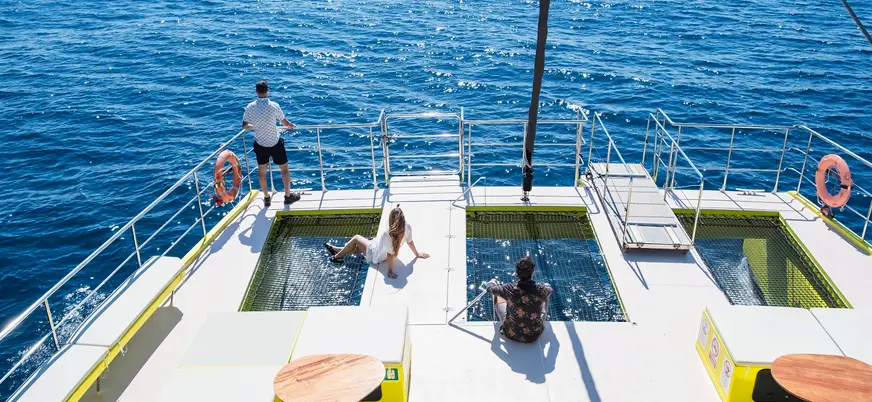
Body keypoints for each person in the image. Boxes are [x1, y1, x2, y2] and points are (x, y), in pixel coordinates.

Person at [324, 205, 429, 279]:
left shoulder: (387, 234)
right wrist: (417, 254)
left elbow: (390, 254)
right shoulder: (407, 227)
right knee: (358, 247)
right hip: (378, 250)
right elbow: (409, 242)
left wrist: (389, 271)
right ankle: (337, 250)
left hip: (375, 255)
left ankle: (337, 256)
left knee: (356, 238)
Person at [242, 80, 299, 207]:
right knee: (284, 169)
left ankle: (266, 198)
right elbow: (285, 122)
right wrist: (291, 126)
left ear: (256, 91)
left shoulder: (250, 107)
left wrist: (256, 126)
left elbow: (245, 126)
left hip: (260, 143)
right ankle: (287, 196)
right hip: (275, 142)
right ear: (267, 91)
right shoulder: (274, 105)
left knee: (262, 171)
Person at [485, 256, 553, 343]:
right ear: (533, 273)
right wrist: (545, 285)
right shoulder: (541, 289)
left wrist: (492, 282)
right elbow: (550, 290)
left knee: (497, 296)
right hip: (533, 335)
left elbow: (489, 289)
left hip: (511, 333)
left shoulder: (508, 288)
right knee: (546, 296)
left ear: (516, 273)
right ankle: (542, 316)